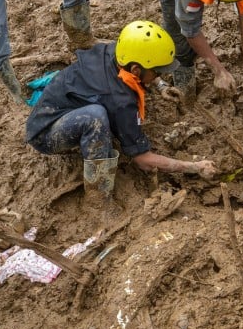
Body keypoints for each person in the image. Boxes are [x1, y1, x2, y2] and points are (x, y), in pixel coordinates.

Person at [26, 20, 217, 205]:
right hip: (46, 133)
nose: (161, 75)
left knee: (99, 113)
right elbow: (143, 160)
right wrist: (194, 167)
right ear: (136, 69)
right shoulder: (120, 102)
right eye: (158, 72)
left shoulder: (116, 52)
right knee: (95, 118)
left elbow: (139, 72)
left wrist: (160, 86)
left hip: (57, 106)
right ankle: (99, 196)